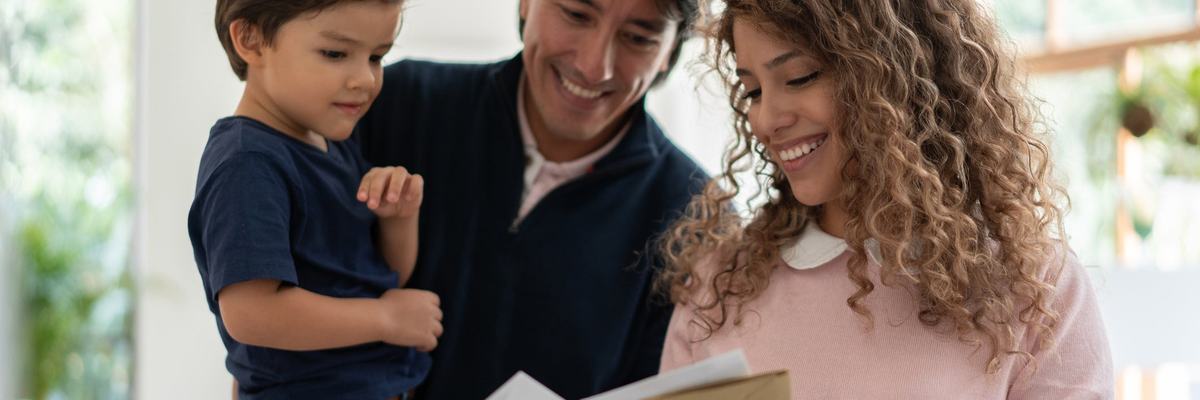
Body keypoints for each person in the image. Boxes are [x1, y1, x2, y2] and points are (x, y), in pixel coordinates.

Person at [658, 0, 1114, 398]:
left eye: (799, 77)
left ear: (897, 75)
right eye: (753, 91)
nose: (766, 119)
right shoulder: (717, 288)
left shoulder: (1033, 286)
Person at [353, 0, 706, 397]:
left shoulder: (697, 218)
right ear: (526, 4)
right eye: (575, 15)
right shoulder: (388, 106)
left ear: (670, 51)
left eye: (639, 38)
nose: (594, 67)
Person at [189, 1, 443, 398]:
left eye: (377, 56)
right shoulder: (248, 163)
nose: (365, 79)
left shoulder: (332, 145)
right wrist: (384, 318)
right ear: (251, 40)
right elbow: (251, 313)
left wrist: (398, 217)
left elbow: (386, 274)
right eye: (335, 54)